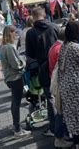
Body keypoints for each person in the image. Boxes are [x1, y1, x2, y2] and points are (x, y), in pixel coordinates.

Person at [25, 7, 59, 137]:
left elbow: (30, 54)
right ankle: (65, 125)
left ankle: (54, 127)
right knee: (62, 94)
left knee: (50, 98)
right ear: (44, 14)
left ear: (33, 17)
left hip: (43, 67)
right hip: (58, 64)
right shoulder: (54, 27)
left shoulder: (31, 33)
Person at [0, 25, 31, 139]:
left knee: (15, 102)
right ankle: (17, 129)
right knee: (16, 103)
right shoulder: (9, 47)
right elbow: (16, 64)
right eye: (14, 33)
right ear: (10, 33)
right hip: (15, 77)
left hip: (10, 77)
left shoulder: (3, 46)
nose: (16, 35)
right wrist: (23, 62)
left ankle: (16, 126)